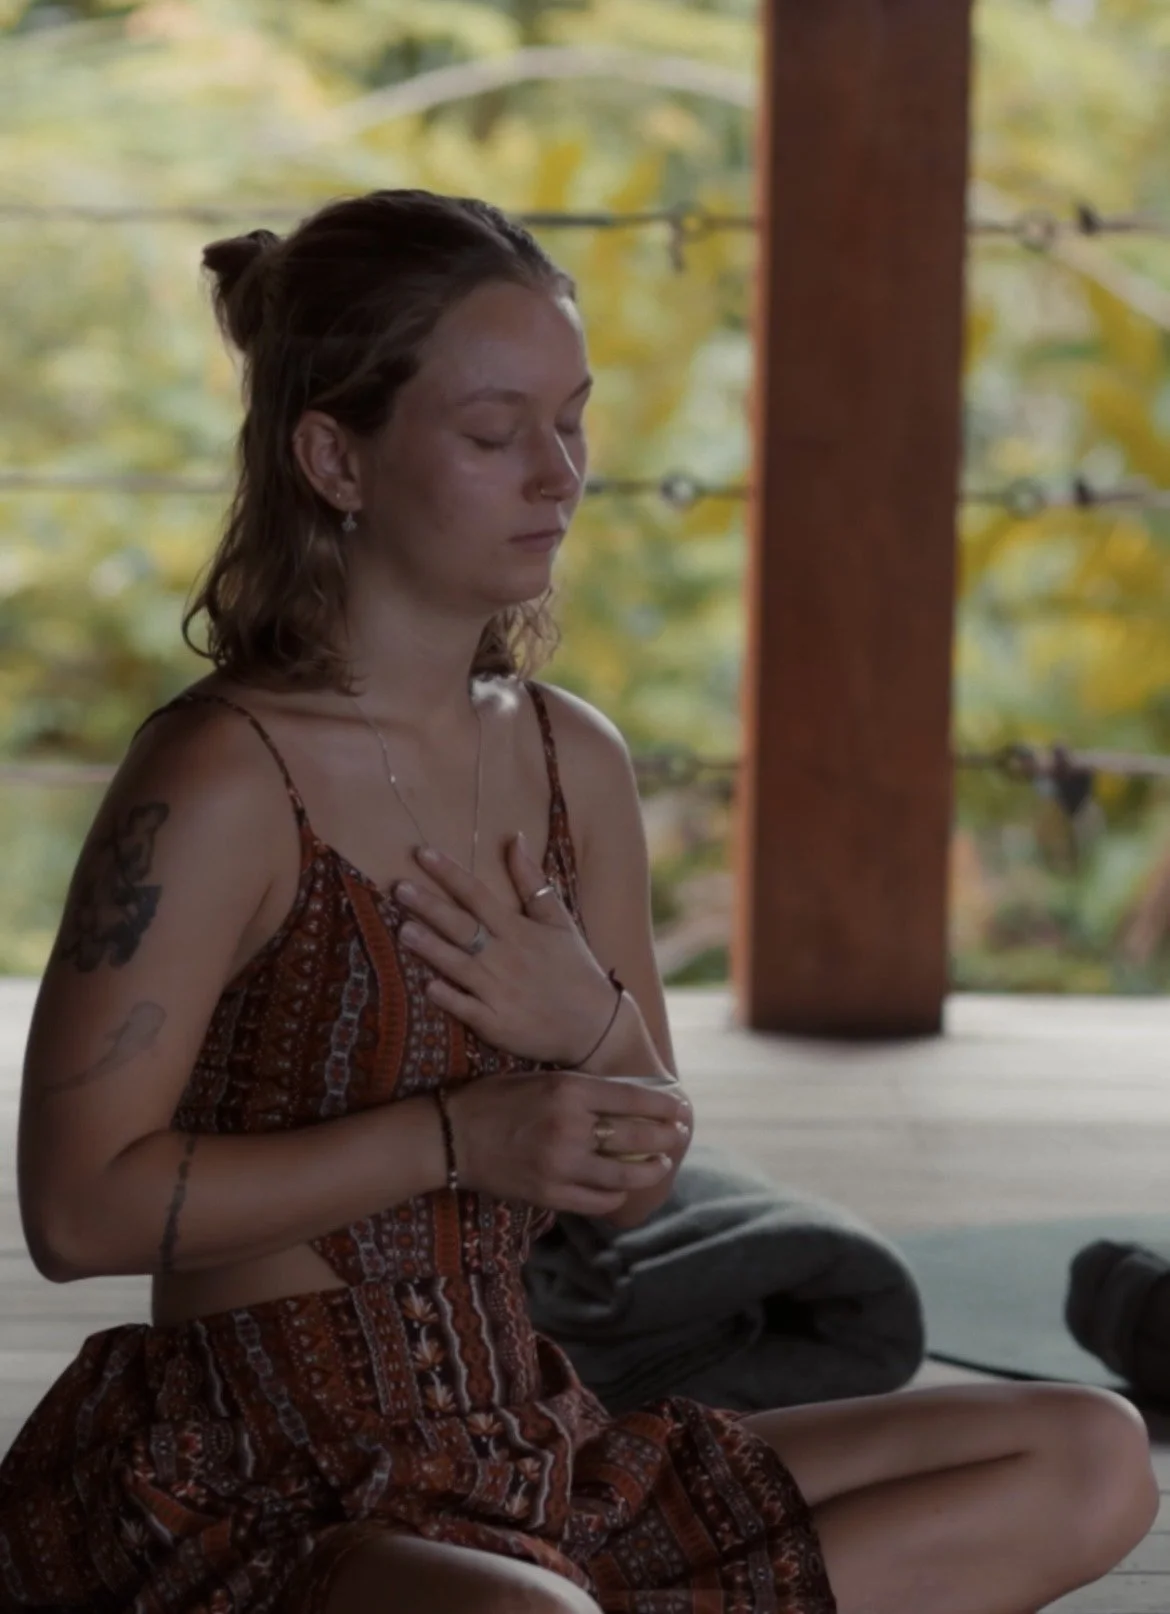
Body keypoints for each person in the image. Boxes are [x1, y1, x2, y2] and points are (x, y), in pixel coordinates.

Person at [0, 188, 1157, 1614]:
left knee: (1088, 1452)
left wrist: (593, 1023)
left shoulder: (570, 760)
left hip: (530, 1448)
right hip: (261, 1481)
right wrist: (453, 1135)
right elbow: (76, 1208)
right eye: (494, 434)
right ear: (332, 457)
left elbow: (643, 1159)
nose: (558, 474)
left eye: (573, 420)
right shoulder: (222, 776)